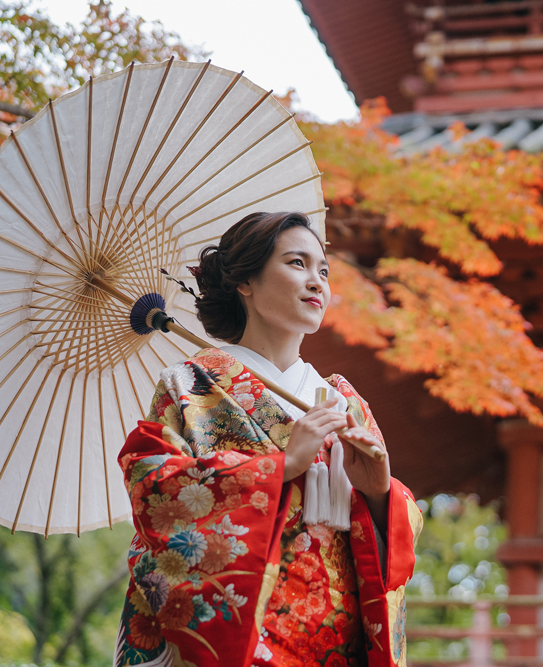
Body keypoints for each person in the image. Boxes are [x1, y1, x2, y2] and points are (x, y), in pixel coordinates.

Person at [114, 212, 423, 667]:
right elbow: (154, 490)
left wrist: (379, 493)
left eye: (323, 270)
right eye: (297, 263)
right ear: (246, 282)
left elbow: (394, 539)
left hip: (337, 641)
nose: (317, 282)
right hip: (242, 636)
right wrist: (281, 467)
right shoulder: (190, 386)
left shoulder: (344, 400)